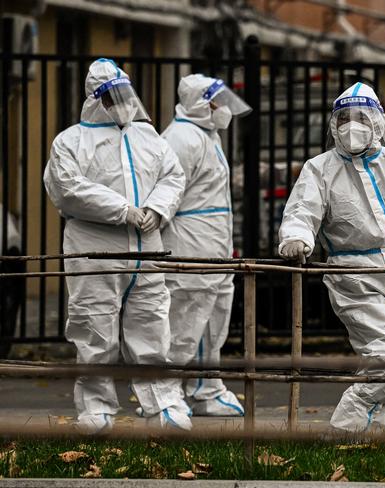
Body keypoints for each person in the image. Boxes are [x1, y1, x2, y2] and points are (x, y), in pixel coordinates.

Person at [278, 82, 385, 432]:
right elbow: (302, 211)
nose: (351, 126)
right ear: (333, 125)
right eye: (343, 119)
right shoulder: (320, 168)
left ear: (378, 122)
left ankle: (376, 434)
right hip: (354, 276)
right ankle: (344, 426)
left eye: (361, 117)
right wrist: (296, 238)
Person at [44, 58, 190, 434]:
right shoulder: (71, 141)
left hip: (147, 245)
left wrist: (157, 209)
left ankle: (164, 405)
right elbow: (67, 188)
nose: (124, 103)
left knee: (152, 323)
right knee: (94, 326)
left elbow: (173, 175)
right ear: (96, 99)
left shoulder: (147, 137)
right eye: (114, 96)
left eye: (126, 95)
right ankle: (96, 409)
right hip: (95, 244)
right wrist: (122, 210)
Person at [161, 74, 251, 416]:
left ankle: (205, 386)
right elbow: (167, 195)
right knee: (184, 320)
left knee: (213, 319)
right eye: (217, 102)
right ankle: (165, 391)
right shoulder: (181, 139)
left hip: (212, 245)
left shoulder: (206, 135)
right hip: (189, 244)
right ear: (201, 103)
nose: (224, 108)